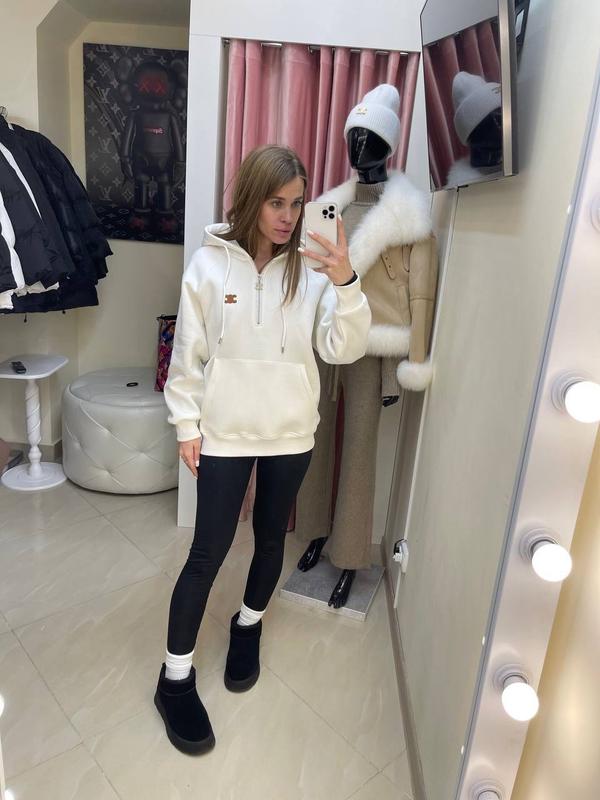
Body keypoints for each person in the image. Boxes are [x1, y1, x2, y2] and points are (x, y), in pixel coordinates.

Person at [155, 144, 371, 755]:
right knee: (207, 552)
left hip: (290, 432)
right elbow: (188, 354)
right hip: (223, 432)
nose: (288, 216)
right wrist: (187, 425)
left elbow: (343, 349)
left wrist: (346, 282)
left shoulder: (312, 270)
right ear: (251, 198)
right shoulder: (207, 266)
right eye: (276, 202)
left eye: (297, 204)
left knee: (272, 540)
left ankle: (247, 625)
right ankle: (174, 678)